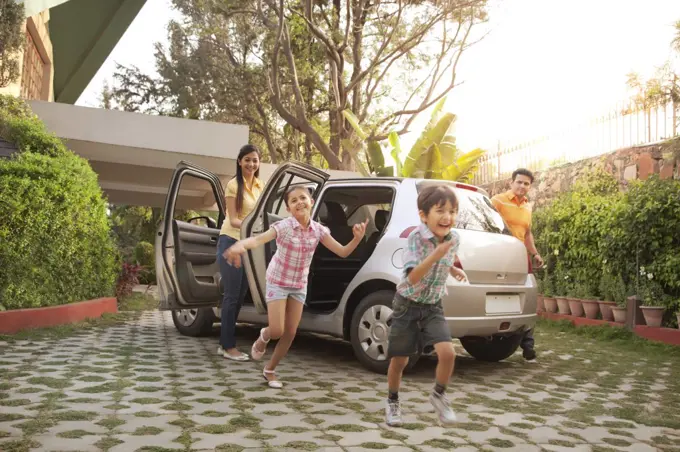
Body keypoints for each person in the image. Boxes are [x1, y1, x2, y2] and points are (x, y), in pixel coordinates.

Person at [225, 185, 368, 388]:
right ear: (289, 209)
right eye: (294, 201)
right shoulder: (284, 226)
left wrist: (356, 239)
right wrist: (241, 245)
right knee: (277, 330)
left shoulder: (319, 230)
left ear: (311, 202)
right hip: (277, 281)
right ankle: (264, 336)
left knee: (291, 332)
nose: (299, 202)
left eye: (303, 198)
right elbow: (259, 239)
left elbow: (343, 252)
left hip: (299, 284)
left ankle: (270, 370)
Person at [385, 184, 468, 427]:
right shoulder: (416, 238)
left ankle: (439, 396)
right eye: (440, 211)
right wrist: (436, 254)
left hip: (433, 305)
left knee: (448, 353)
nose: (447, 217)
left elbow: (447, 257)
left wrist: (453, 268)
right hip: (407, 305)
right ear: (423, 215)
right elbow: (412, 277)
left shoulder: (454, 238)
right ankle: (392, 402)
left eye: (453, 211)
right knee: (400, 361)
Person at [216, 144, 263, 361]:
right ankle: (227, 347)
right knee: (232, 296)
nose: (251, 164)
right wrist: (253, 225)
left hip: (247, 245)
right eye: (247, 160)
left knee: (240, 295)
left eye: (255, 160)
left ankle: (225, 343)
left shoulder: (260, 186)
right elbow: (234, 218)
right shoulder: (234, 185)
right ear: (239, 161)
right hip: (230, 242)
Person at [490, 168, 543, 361]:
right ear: (511, 183)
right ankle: (513, 338)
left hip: (520, 257)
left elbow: (527, 233)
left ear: (530, 186)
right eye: (519, 182)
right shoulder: (498, 201)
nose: (522, 186)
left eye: (526, 183)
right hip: (500, 257)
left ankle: (528, 343)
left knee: (525, 296)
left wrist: (535, 254)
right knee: (501, 296)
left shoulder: (528, 206)